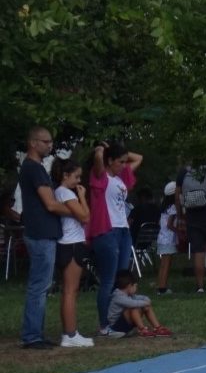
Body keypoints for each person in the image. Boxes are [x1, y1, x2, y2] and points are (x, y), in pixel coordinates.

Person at [89, 142, 142, 333]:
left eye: (124, 161)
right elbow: (98, 160)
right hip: (107, 230)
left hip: (123, 230)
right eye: (120, 161)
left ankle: (118, 319)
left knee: (122, 279)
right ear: (110, 161)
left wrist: (114, 147)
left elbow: (139, 158)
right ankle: (104, 324)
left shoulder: (121, 177)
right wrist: (102, 150)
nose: (124, 165)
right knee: (108, 279)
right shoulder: (101, 176)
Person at [16, 126, 60, 350]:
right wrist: (77, 210)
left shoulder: (34, 168)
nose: (50, 145)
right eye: (45, 141)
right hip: (41, 233)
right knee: (39, 285)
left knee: (41, 285)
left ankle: (35, 333)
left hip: (41, 231)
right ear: (33, 143)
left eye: (51, 141)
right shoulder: (33, 169)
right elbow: (50, 203)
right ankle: (32, 335)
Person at [49, 157, 94, 348]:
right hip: (71, 244)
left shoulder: (60, 192)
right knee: (70, 290)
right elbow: (85, 216)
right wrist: (82, 196)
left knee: (69, 290)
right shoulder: (65, 193)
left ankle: (69, 332)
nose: (79, 181)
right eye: (76, 177)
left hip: (68, 243)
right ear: (65, 175)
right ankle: (70, 334)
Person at [177, 165, 206, 293]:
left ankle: (200, 286)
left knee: (198, 252)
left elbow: (177, 195)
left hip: (192, 217)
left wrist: (180, 216)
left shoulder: (183, 171)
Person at [105, 270, 170, 338]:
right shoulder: (118, 296)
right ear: (129, 286)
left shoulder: (129, 295)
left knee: (146, 307)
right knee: (134, 308)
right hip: (117, 328)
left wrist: (146, 301)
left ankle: (158, 328)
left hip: (126, 325)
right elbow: (131, 304)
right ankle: (142, 329)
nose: (136, 288)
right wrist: (145, 303)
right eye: (135, 286)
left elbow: (141, 298)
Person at [152, 182, 181, 295]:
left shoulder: (164, 208)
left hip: (162, 238)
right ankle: (163, 287)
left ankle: (160, 286)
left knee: (163, 264)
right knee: (167, 264)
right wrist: (179, 232)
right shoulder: (173, 207)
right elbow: (170, 225)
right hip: (169, 239)